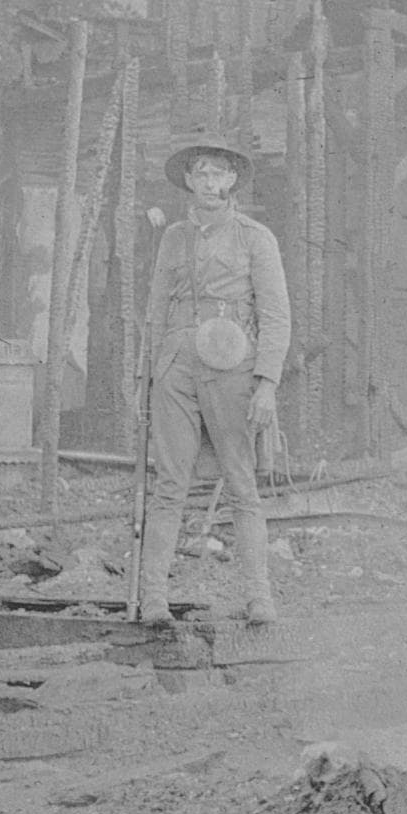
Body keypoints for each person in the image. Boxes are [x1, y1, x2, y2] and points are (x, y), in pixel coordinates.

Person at [138, 135, 290, 624]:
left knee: (242, 485)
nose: (209, 182)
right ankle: (154, 599)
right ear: (188, 179)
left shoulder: (254, 238)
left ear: (232, 181)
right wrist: (147, 375)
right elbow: (155, 310)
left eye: (219, 173)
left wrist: (266, 381)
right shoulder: (173, 238)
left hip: (232, 364)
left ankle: (258, 599)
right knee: (169, 486)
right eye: (201, 172)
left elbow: (276, 315)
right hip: (177, 364)